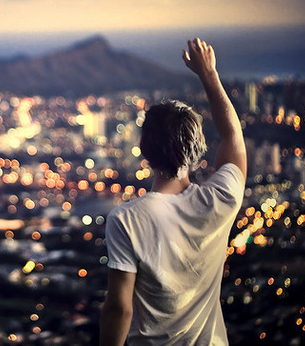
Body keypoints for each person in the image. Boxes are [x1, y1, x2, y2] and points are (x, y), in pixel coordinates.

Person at [100, 38, 247, 345]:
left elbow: (119, 309)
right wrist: (209, 74)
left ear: (144, 150)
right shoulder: (222, 199)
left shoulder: (126, 220)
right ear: (197, 150)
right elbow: (233, 135)